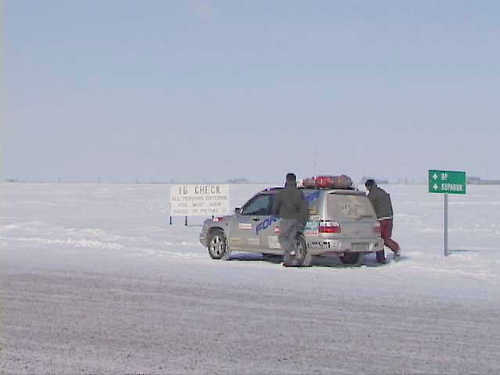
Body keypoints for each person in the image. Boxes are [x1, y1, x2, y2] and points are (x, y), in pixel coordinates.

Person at [272, 173, 309, 267]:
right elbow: (304, 208)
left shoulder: (282, 192)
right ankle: (288, 261)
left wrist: (275, 213)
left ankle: (291, 250)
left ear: (287, 180)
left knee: (282, 238)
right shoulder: (299, 193)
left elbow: (276, 205)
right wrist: (303, 221)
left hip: (286, 218)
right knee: (291, 239)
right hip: (297, 219)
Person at [365, 179, 400, 263]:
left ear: (369, 186)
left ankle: (381, 259)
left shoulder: (371, 195)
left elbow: (367, 207)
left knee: (378, 238)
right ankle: (396, 249)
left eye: (366, 187)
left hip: (380, 219)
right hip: (389, 218)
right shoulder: (383, 192)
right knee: (386, 238)